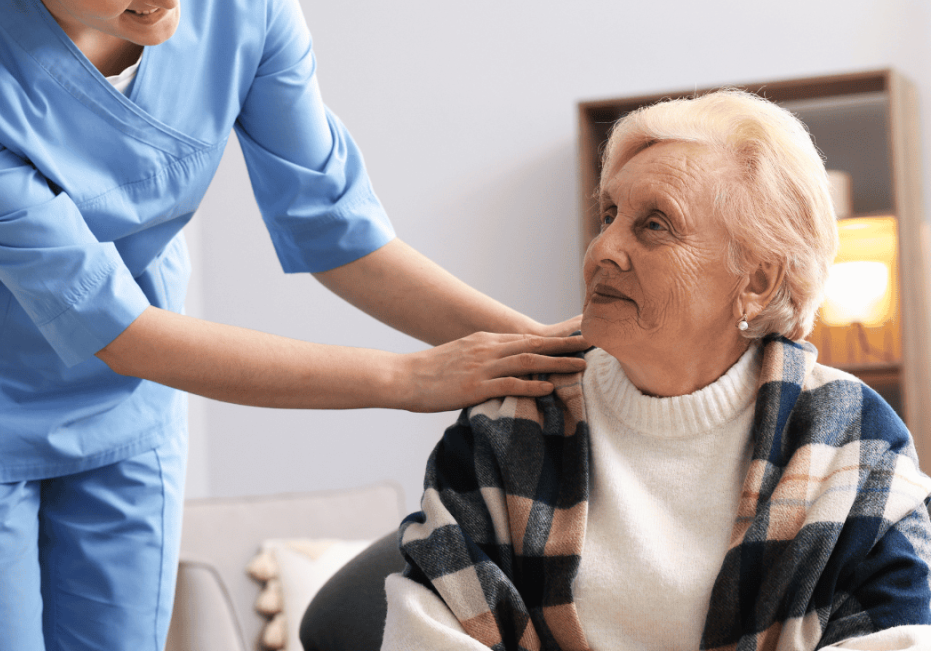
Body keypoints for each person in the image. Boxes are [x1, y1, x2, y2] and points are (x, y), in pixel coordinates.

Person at [0, 0, 590, 648]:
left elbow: (339, 233)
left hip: (130, 405)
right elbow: (113, 327)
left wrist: (549, 352)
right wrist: (407, 379)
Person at [382, 91, 931, 651]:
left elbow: (899, 637)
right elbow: (423, 634)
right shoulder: (509, 417)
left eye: (654, 225)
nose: (602, 250)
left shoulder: (855, 440)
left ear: (758, 281)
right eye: (609, 215)